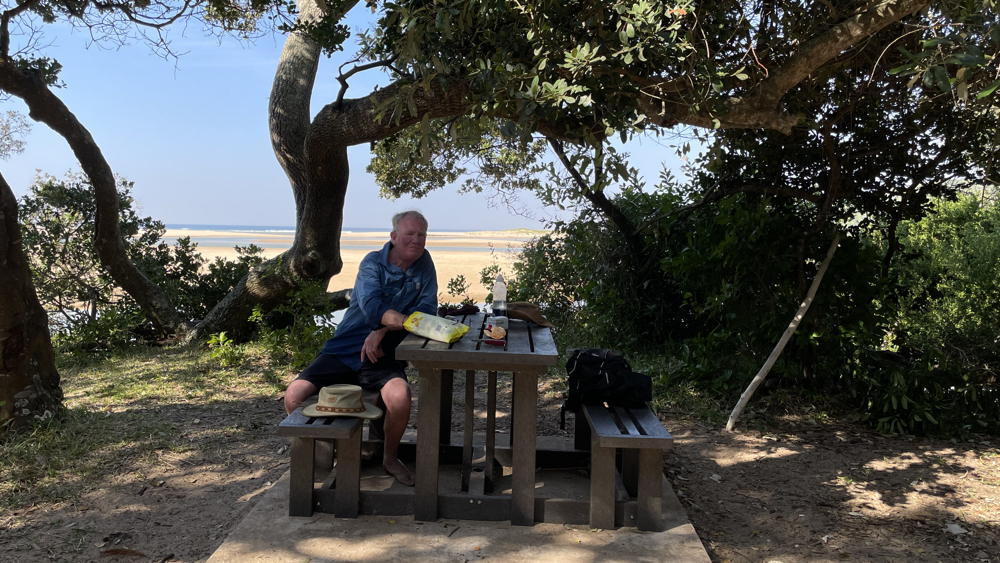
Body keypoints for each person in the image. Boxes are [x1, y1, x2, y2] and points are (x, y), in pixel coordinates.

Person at [284, 210, 437, 487]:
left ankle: (390, 458)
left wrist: (382, 330)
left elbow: (426, 311)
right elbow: (372, 307)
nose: (416, 240)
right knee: (294, 394)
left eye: (421, 235)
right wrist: (397, 321)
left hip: (384, 352)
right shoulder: (371, 263)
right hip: (345, 347)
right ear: (393, 237)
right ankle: (321, 453)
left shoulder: (424, 263)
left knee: (400, 397)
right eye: (409, 234)